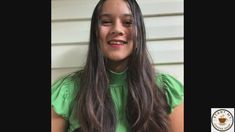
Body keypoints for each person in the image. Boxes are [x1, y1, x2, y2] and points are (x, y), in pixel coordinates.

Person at [51, 0, 184, 132]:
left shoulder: (167, 91)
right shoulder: (66, 93)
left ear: (140, 32)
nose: (117, 29)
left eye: (128, 22)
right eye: (106, 22)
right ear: (95, 32)